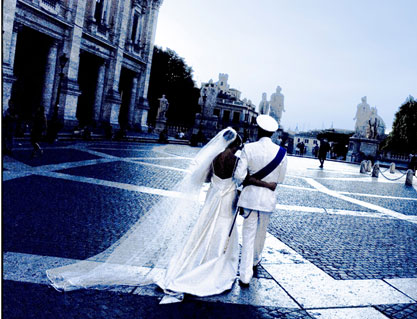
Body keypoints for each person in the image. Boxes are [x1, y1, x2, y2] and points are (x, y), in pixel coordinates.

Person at [45, 127, 275, 302]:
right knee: (222, 232)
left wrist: (218, 184)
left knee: (201, 231)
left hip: (211, 198)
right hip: (226, 202)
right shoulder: (235, 160)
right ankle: (211, 265)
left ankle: (195, 262)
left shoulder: (214, 158)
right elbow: (239, 180)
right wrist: (262, 183)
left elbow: (205, 179)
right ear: (236, 145)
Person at [234, 115, 287, 286]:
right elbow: (280, 179)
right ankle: (256, 259)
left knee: (247, 235)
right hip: (267, 201)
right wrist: (266, 183)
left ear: (258, 130)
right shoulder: (281, 153)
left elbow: (239, 176)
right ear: (272, 133)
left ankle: (244, 275)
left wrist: (252, 179)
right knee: (261, 234)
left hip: (249, 199)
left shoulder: (248, 148)